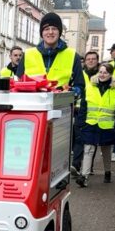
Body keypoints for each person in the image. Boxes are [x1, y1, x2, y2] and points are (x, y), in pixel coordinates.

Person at [24, 12, 86, 175]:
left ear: (59, 32)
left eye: (54, 29)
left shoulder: (72, 55)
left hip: (60, 115)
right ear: (41, 33)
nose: (50, 32)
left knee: (55, 157)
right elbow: (18, 82)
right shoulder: (28, 54)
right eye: (46, 29)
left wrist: (71, 92)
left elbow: (80, 85)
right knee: (31, 155)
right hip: (31, 114)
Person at [78, 62, 115, 187]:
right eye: (100, 72)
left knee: (106, 150)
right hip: (91, 123)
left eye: (105, 72)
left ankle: (107, 172)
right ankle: (84, 176)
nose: (102, 74)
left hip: (107, 125)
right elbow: (84, 106)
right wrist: (81, 122)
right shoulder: (90, 86)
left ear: (111, 74)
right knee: (88, 149)